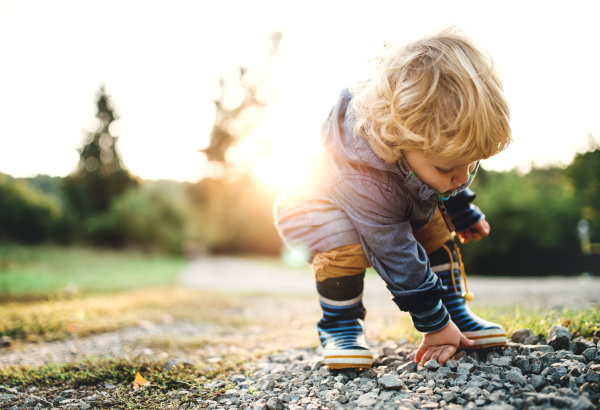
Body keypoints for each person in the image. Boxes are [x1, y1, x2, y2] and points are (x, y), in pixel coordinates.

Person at [273, 27, 512, 370]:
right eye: (448, 167)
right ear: (400, 138)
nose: (461, 177)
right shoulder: (362, 173)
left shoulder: (428, 157)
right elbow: (394, 251)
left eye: (471, 163)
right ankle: (340, 327)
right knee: (348, 247)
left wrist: (461, 208)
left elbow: (445, 181)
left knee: (435, 228)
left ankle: (455, 310)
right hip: (313, 210)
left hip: (393, 204)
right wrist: (434, 325)